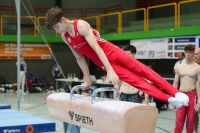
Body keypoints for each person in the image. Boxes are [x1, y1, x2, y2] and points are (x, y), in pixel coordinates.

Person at [45, 7, 189, 108]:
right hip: (101, 62)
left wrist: (110, 70)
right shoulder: (65, 37)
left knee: (143, 71)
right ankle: (168, 99)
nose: (58, 31)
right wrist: (88, 79)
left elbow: (97, 48)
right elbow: (80, 58)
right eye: (55, 29)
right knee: (136, 81)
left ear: (63, 19)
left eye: (57, 27)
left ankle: (175, 92)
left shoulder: (80, 25)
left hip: (111, 51)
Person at [173, 44, 200, 133]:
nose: (188, 54)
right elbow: (175, 83)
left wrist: (199, 101)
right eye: (186, 52)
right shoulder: (179, 67)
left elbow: (199, 85)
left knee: (190, 121)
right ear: (184, 53)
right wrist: (173, 97)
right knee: (178, 121)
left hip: (192, 95)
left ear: (193, 54)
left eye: (190, 53)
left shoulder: (198, 68)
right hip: (181, 95)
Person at [193, 48, 200, 133]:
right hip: (195, 93)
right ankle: (195, 131)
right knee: (194, 113)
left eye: (197, 54)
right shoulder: (191, 66)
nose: (194, 56)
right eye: (194, 54)